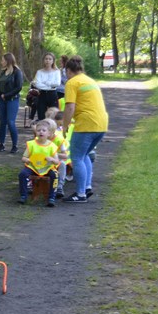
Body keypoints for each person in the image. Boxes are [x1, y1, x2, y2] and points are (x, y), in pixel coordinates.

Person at [62, 55, 108, 203]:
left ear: (68, 70)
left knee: (76, 157)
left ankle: (80, 194)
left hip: (86, 124)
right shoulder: (90, 80)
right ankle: (87, 187)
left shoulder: (72, 82)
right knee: (85, 154)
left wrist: (65, 125)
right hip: (101, 124)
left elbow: (70, 107)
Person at [17, 118, 60, 207]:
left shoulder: (52, 146)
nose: (41, 132)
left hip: (47, 167)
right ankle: (23, 195)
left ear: (49, 133)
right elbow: (23, 158)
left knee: (55, 175)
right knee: (22, 174)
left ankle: (52, 197)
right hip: (33, 167)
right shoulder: (31, 144)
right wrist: (26, 160)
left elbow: (57, 162)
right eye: (39, 130)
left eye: (44, 130)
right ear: (36, 132)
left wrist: (52, 159)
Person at [0, 52, 23, 154]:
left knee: (10, 122)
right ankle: (1, 144)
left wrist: (6, 95)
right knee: (2, 122)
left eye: (2, 60)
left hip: (12, 100)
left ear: (8, 61)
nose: (1, 62)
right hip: (2, 101)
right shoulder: (3, 72)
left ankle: (15, 145)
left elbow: (18, 87)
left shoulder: (17, 72)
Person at [33, 52, 61, 121]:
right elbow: (37, 84)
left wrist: (45, 82)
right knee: (41, 115)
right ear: (43, 60)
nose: (48, 60)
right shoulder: (39, 72)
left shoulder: (56, 72)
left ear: (53, 61)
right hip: (42, 94)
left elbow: (57, 83)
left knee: (54, 115)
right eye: (46, 59)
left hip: (52, 94)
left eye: (50, 59)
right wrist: (50, 85)